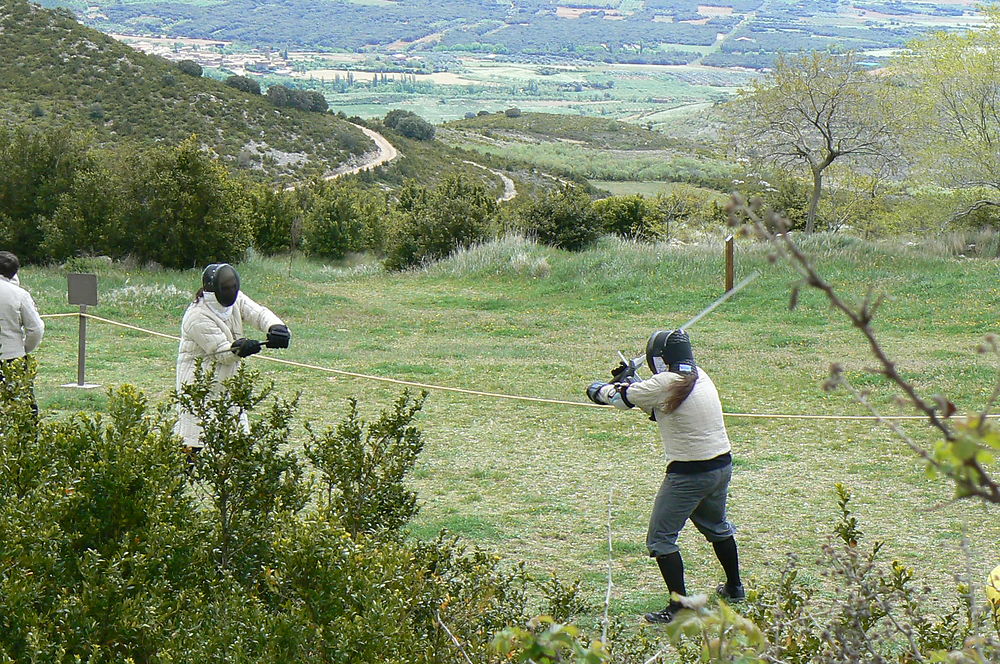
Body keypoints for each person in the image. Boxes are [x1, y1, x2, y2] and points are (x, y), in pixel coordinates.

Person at [587, 329, 743, 624]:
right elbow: (658, 403)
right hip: (720, 466)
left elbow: (622, 399)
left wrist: (601, 388)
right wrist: (634, 382)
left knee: (660, 540)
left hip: (689, 473)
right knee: (716, 526)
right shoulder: (700, 375)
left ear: (659, 358)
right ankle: (735, 588)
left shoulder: (665, 381)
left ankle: (680, 607)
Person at [175, 263, 291, 451]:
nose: (230, 292)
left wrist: (276, 327)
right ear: (213, 290)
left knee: (240, 449)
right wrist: (242, 348)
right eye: (226, 288)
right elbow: (222, 352)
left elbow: (258, 313)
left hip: (228, 387)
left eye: (232, 287)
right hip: (198, 389)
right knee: (191, 450)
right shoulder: (196, 317)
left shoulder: (237, 300)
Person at [0, 251, 45, 416]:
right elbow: (36, 329)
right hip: (12, 356)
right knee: (23, 406)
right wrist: (24, 348)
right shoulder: (19, 294)